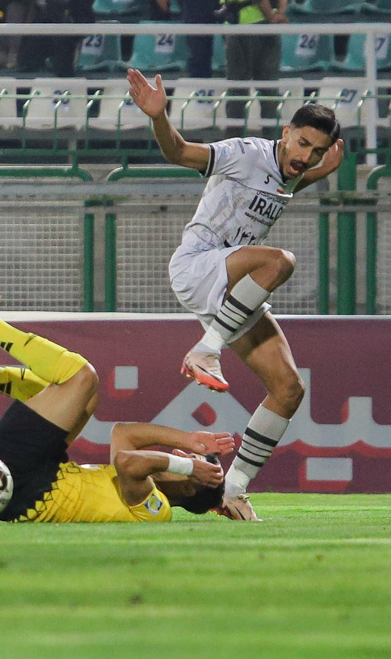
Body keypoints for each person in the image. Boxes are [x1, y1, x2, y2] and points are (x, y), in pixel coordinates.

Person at [127, 67, 343, 520]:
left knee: (288, 389)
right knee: (280, 261)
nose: (307, 156)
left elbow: (286, 184)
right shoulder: (246, 154)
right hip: (198, 267)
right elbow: (179, 151)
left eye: (317, 151)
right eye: (303, 143)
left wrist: (322, 170)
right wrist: (159, 117)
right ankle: (205, 350)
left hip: (233, 288)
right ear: (285, 133)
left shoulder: (293, 171)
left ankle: (234, 489)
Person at [0, 261, 235, 523]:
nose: (180, 454)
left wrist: (187, 465)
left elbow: (128, 461)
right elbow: (124, 433)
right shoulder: (143, 479)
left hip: (21, 484)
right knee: (86, 399)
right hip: (41, 470)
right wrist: (188, 440)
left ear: (189, 487)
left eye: (191, 463)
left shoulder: (156, 509)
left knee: (81, 377)